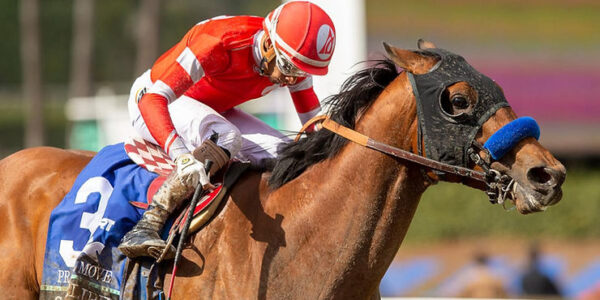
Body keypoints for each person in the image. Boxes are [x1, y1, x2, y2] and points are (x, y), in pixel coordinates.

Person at [118, 1, 336, 259]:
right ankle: (149, 222)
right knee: (227, 134)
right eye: (289, 68)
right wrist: (180, 155)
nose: (293, 79)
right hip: (154, 101)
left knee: (288, 154)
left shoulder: (290, 56)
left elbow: (315, 129)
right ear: (269, 44)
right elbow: (151, 100)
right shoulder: (218, 41)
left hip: (210, 110)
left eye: (302, 71)